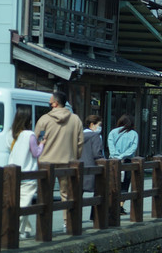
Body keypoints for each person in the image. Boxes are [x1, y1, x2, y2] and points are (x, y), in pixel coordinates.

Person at [35, 90, 84, 229]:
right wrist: (76, 157)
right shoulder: (75, 119)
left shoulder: (44, 119)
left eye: (50, 103)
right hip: (68, 161)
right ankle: (67, 222)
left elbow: (36, 139)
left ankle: (44, 225)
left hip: (46, 162)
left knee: (44, 194)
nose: (49, 105)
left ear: (55, 104)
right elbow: (80, 142)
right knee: (66, 194)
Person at [9, 110, 44, 240]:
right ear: (28, 120)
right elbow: (36, 153)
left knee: (20, 202)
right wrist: (42, 143)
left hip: (13, 172)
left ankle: (26, 229)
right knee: (24, 203)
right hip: (28, 173)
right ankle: (17, 230)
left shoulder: (14, 134)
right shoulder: (30, 134)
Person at [107, 115, 138, 215]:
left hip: (113, 161)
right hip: (127, 161)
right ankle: (120, 206)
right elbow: (133, 148)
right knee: (125, 184)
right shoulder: (133, 134)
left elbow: (110, 146)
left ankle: (112, 205)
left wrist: (116, 156)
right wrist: (123, 156)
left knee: (113, 183)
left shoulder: (113, 132)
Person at [80, 115, 105, 220]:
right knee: (99, 191)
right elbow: (97, 153)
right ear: (92, 124)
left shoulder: (79, 135)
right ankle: (95, 216)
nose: (100, 127)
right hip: (92, 168)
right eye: (99, 125)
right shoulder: (95, 136)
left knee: (77, 194)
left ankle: (72, 219)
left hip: (78, 166)